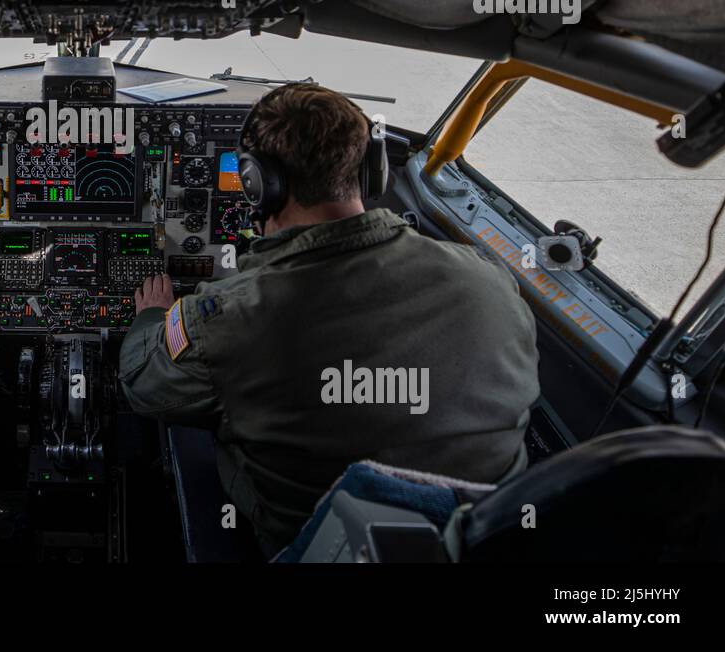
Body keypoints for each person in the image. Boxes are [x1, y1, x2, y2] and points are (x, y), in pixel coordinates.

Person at [120, 82, 539, 557]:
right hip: (475, 542)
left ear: (257, 182)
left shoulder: (230, 318)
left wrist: (154, 317)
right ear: (371, 171)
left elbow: (141, 384)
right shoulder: (489, 279)